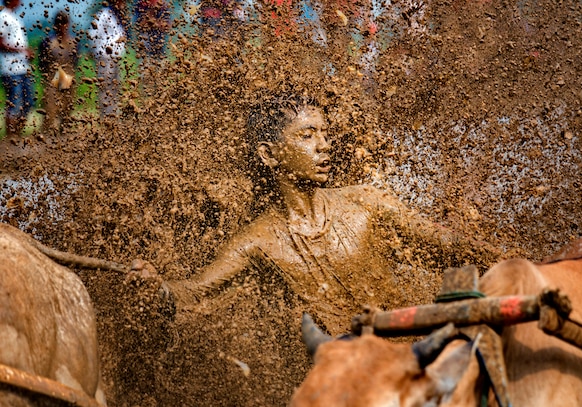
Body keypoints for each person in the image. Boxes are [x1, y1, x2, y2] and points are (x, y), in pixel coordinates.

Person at [134, 92, 501, 333]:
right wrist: (157, 286)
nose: (325, 145)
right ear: (269, 154)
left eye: (324, 133)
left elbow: (451, 245)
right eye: (307, 135)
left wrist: (522, 264)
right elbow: (193, 292)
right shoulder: (258, 240)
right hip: (340, 378)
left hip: (418, 350)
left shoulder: (366, 201)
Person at [38, 11, 79, 135]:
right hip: (52, 76)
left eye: (64, 23)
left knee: (67, 109)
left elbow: (75, 61)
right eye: (59, 23)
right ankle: (46, 136)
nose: (62, 26)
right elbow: (42, 63)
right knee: (50, 109)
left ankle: (64, 137)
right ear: (55, 25)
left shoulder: (73, 42)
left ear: (68, 24)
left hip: (68, 75)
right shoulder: (48, 42)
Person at [0, 0, 34, 141]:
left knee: (28, 102)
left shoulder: (15, 17)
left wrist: (25, 53)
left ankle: (16, 136)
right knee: (15, 103)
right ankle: (10, 138)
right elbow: (0, 42)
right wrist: (21, 51)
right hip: (10, 68)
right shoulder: (3, 16)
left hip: (21, 67)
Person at [88, 0, 127, 118]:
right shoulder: (103, 14)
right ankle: (105, 118)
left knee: (115, 87)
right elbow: (92, 34)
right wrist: (95, 51)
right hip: (105, 58)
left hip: (115, 58)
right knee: (105, 88)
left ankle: (113, 116)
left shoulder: (117, 15)